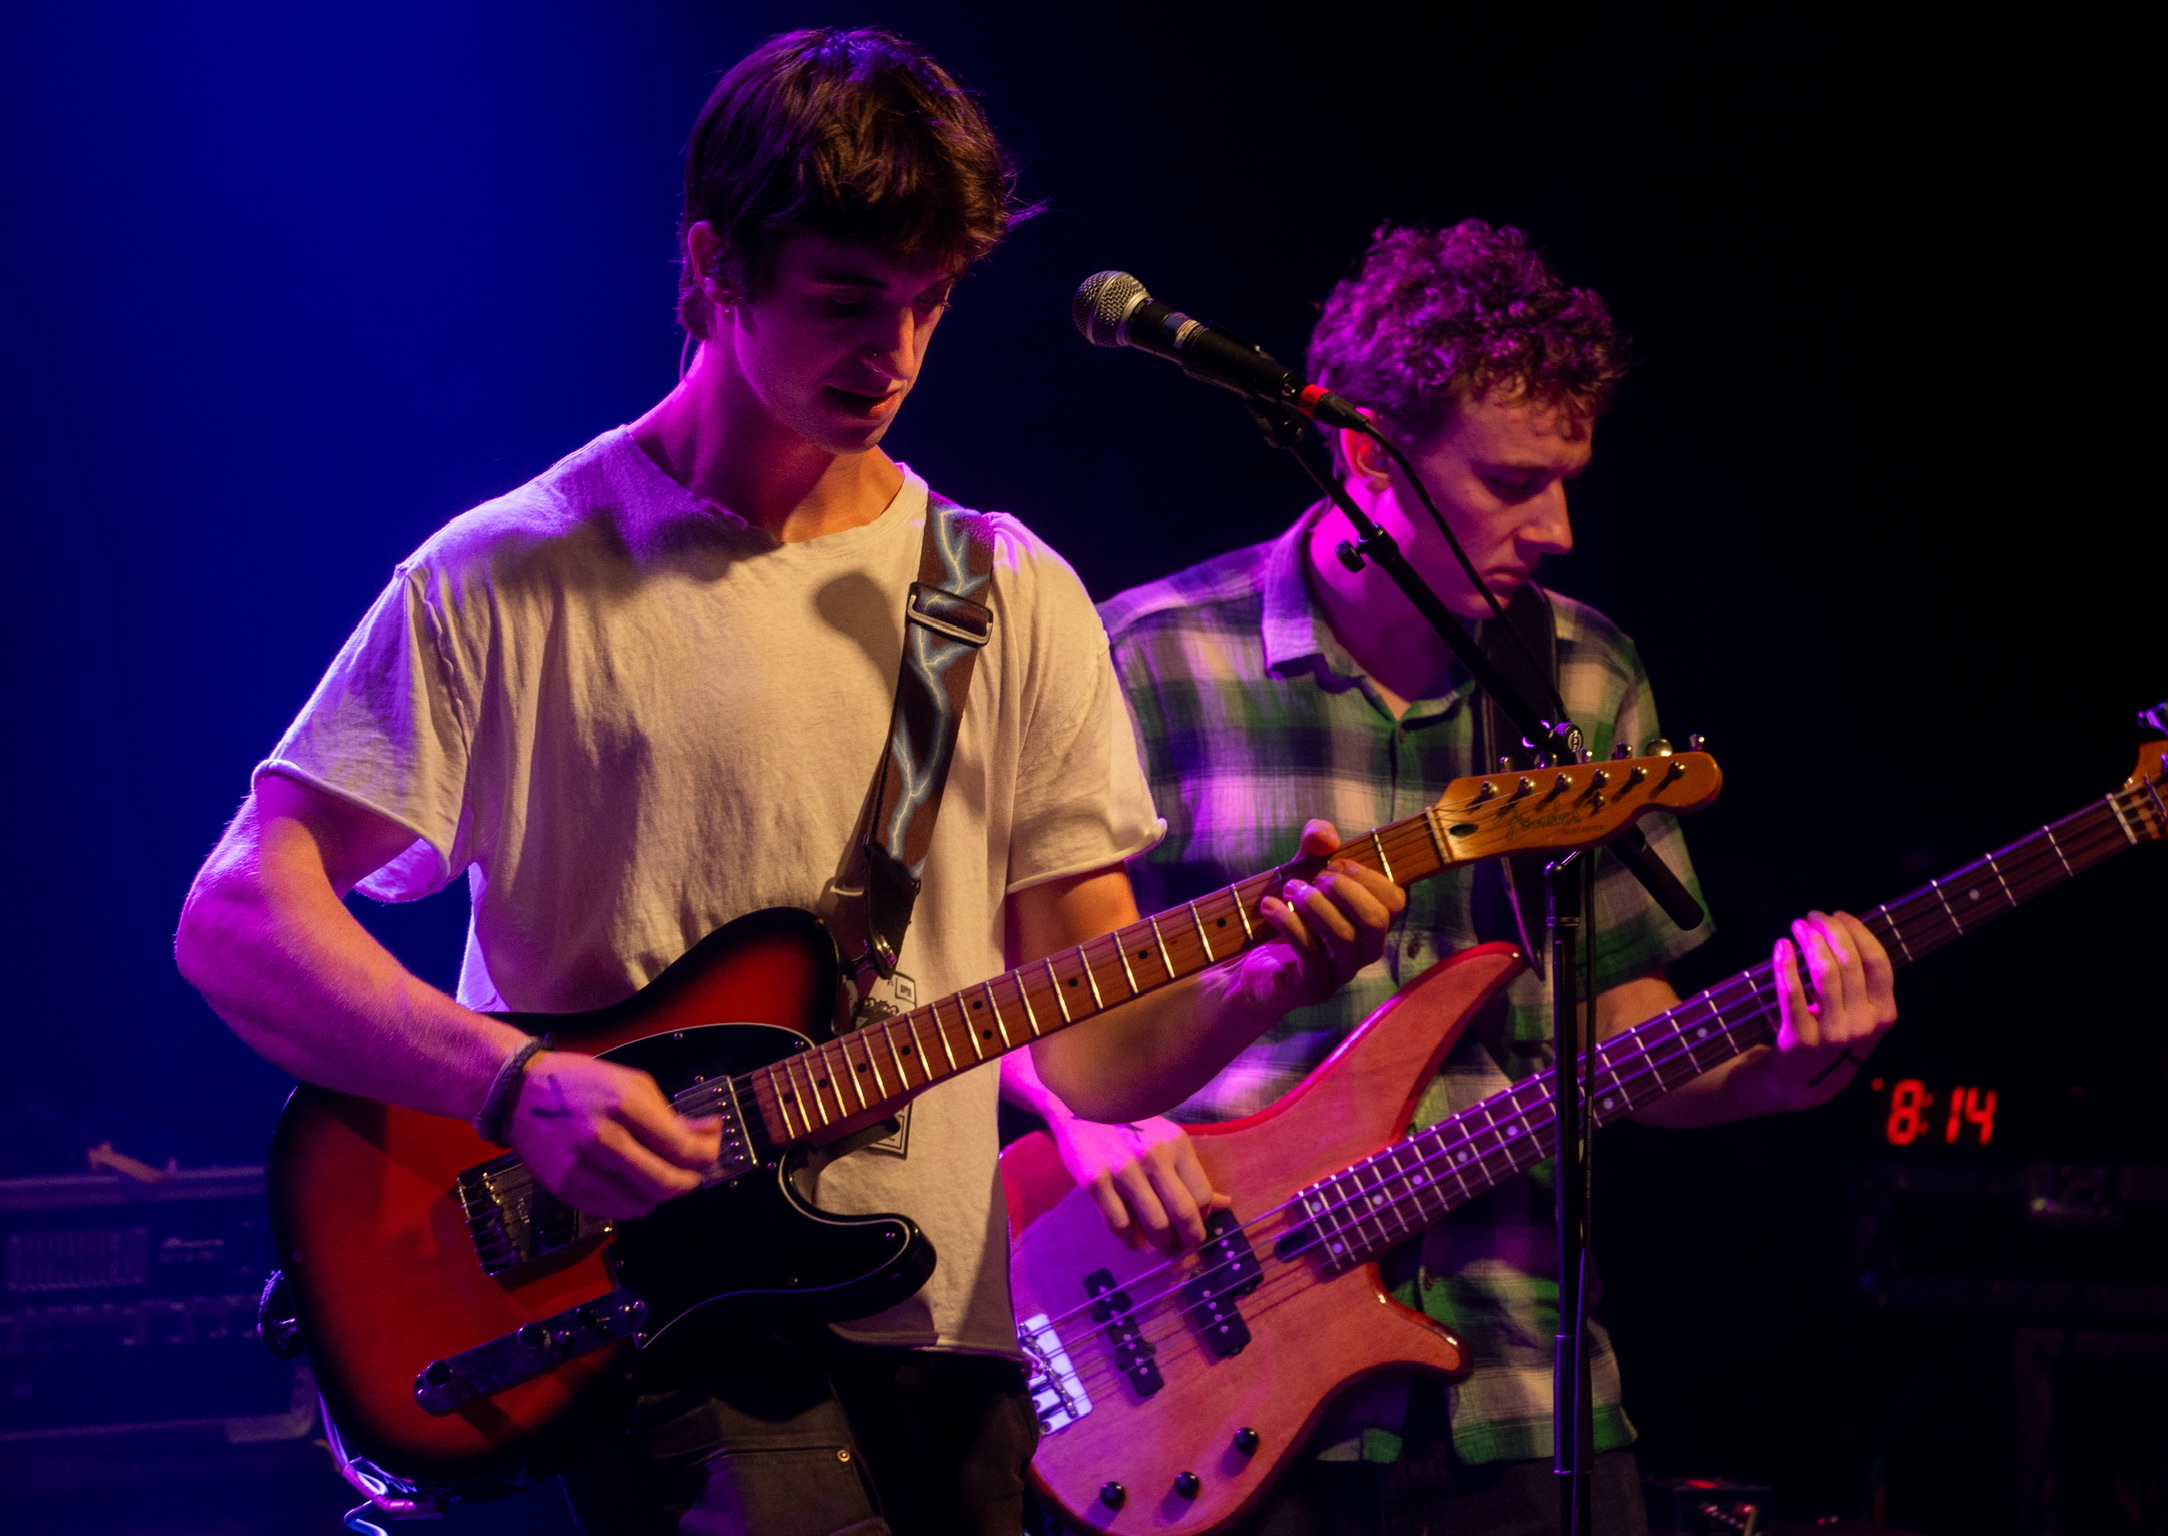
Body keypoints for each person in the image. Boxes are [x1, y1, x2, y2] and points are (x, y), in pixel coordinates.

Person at [173, 30, 1403, 1536]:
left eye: (927, 303)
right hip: (661, 1319)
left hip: (949, 1327)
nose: (889, 352)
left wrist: (1269, 976)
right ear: (712, 266)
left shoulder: (1006, 589)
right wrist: (508, 1082)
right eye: (842, 296)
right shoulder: (512, 572)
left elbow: (1090, 1057)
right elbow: (238, 913)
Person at [999, 219, 1900, 1534]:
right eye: (1512, 483)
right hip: (1195, 1375)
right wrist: (1097, 1127)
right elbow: (999, 1013)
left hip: (1519, 1393)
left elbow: (1617, 1022)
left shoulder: (1584, 681)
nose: (1559, 528)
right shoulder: (1143, 663)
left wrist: (1778, 1065)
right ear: (1367, 455)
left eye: (1571, 478)